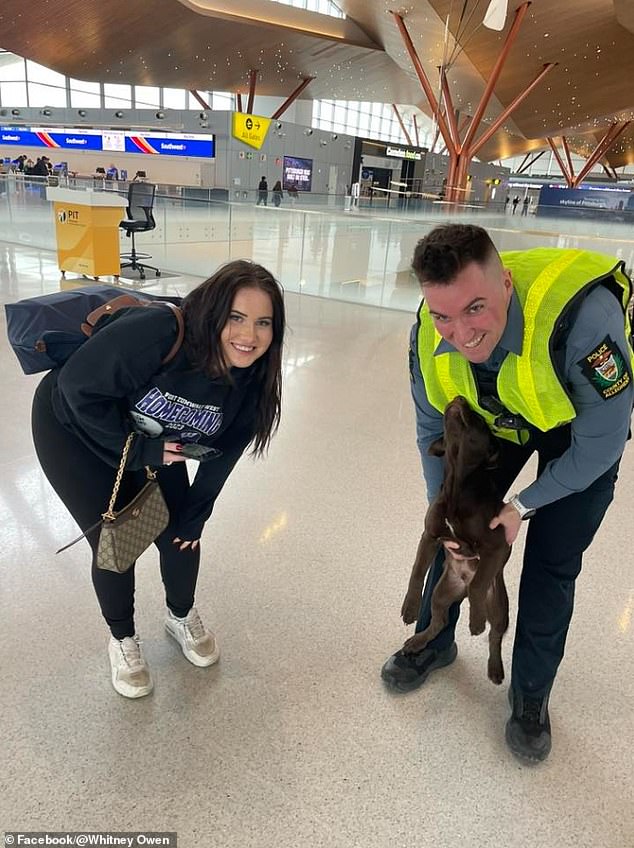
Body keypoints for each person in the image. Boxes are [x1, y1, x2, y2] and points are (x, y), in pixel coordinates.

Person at [381, 224, 633, 763]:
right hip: (497, 413)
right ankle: (434, 638)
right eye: (444, 314)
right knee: (457, 533)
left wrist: (522, 505)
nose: (459, 331)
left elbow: (600, 448)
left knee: (552, 562)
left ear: (508, 285)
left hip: (576, 426)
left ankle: (530, 695)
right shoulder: (428, 333)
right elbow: (434, 433)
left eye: (475, 308)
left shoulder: (589, 325)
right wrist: (447, 521)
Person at [31, 260, 285, 699]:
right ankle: (123, 638)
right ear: (214, 313)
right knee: (120, 538)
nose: (249, 336)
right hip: (73, 427)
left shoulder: (252, 383)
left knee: (180, 535)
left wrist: (196, 515)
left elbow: (219, 457)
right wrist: (140, 451)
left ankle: (180, 615)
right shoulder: (162, 332)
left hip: (153, 442)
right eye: (236, 318)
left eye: (263, 323)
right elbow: (77, 389)